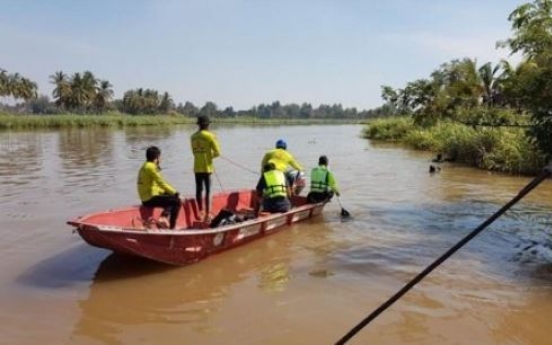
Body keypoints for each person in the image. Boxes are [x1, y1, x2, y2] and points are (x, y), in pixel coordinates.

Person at [137, 146, 181, 229]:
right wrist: (177, 194)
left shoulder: (145, 165)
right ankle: (172, 228)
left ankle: (163, 219)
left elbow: (157, 185)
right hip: (149, 199)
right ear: (156, 158)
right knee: (177, 201)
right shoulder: (151, 167)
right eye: (160, 157)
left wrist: (171, 193)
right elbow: (162, 183)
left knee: (171, 196)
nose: (161, 159)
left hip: (146, 196)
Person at [190, 115, 221, 221]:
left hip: (197, 167)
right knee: (208, 191)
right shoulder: (210, 136)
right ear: (208, 125)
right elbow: (217, 152)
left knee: (198, 190)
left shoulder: (193, 137)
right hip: (207, 167)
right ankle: (208, 214)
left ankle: (200, 213)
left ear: (198, 125)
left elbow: (194, 152)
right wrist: (209, 156)